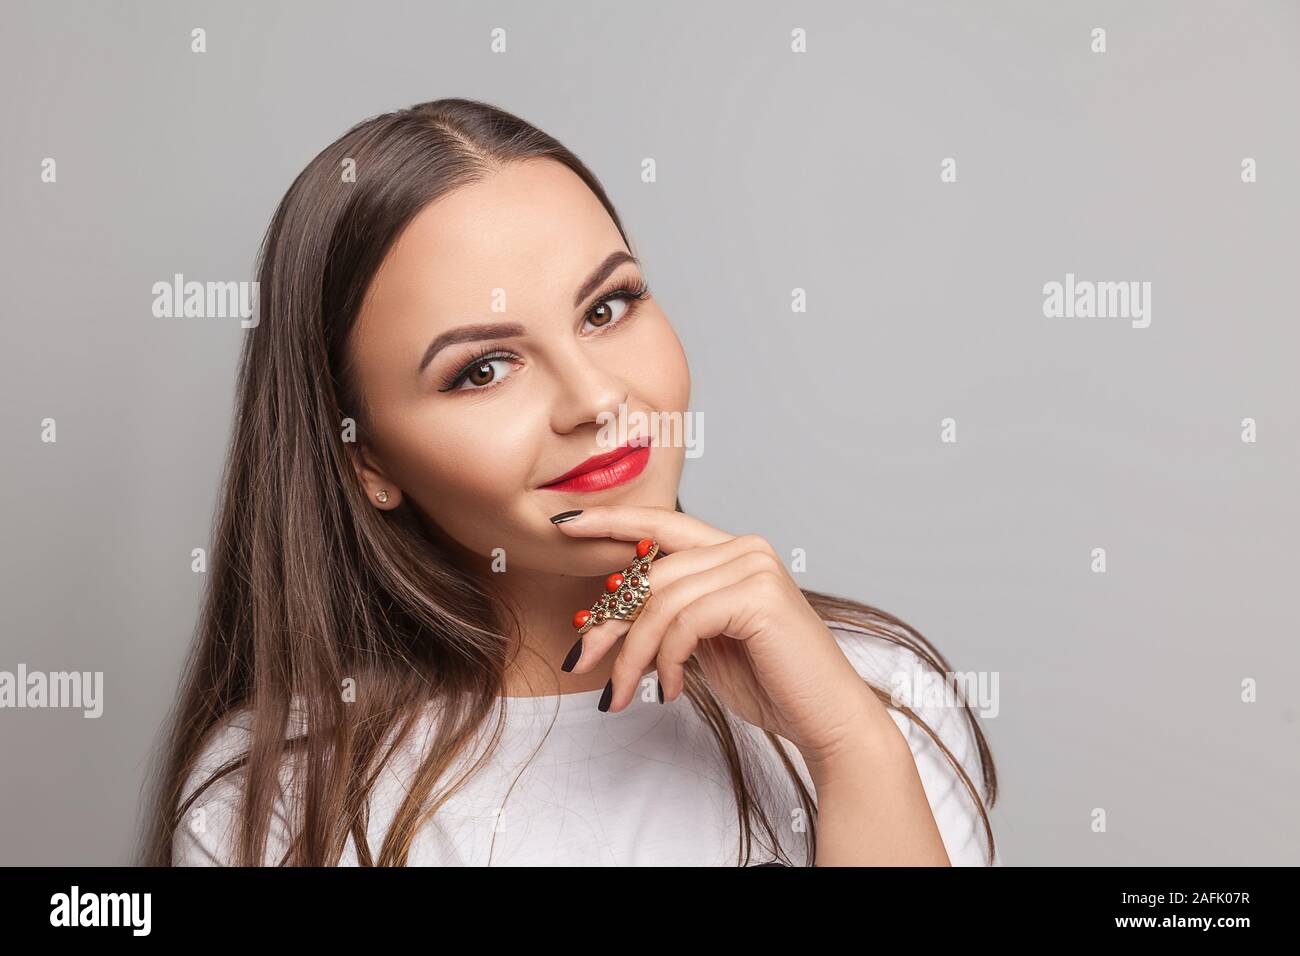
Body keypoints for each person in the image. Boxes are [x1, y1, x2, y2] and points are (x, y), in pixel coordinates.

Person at [141, 98, 999, 867]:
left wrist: (854, 751)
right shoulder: (274, 798)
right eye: (483, 369)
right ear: (366, 459)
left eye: (607, 307)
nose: (596, 398)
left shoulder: (877, 696)